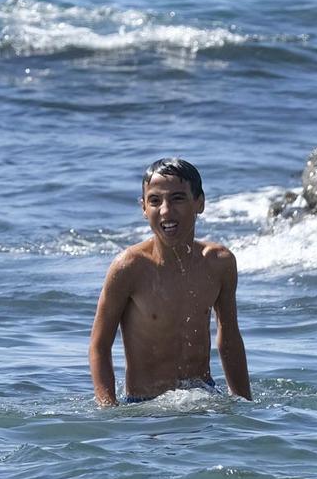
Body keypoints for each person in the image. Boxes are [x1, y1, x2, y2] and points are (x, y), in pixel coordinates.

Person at [89, 157, 249, 407]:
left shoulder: (220, 263)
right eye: (155, 201)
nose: (165, 210)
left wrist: (244, 404)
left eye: (177, 199)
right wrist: (109, 409)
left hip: (205, 397)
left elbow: (229, 338)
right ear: (144, 208)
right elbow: (99, 345)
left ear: (200, 203)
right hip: (145, 405)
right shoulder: (130, 267)